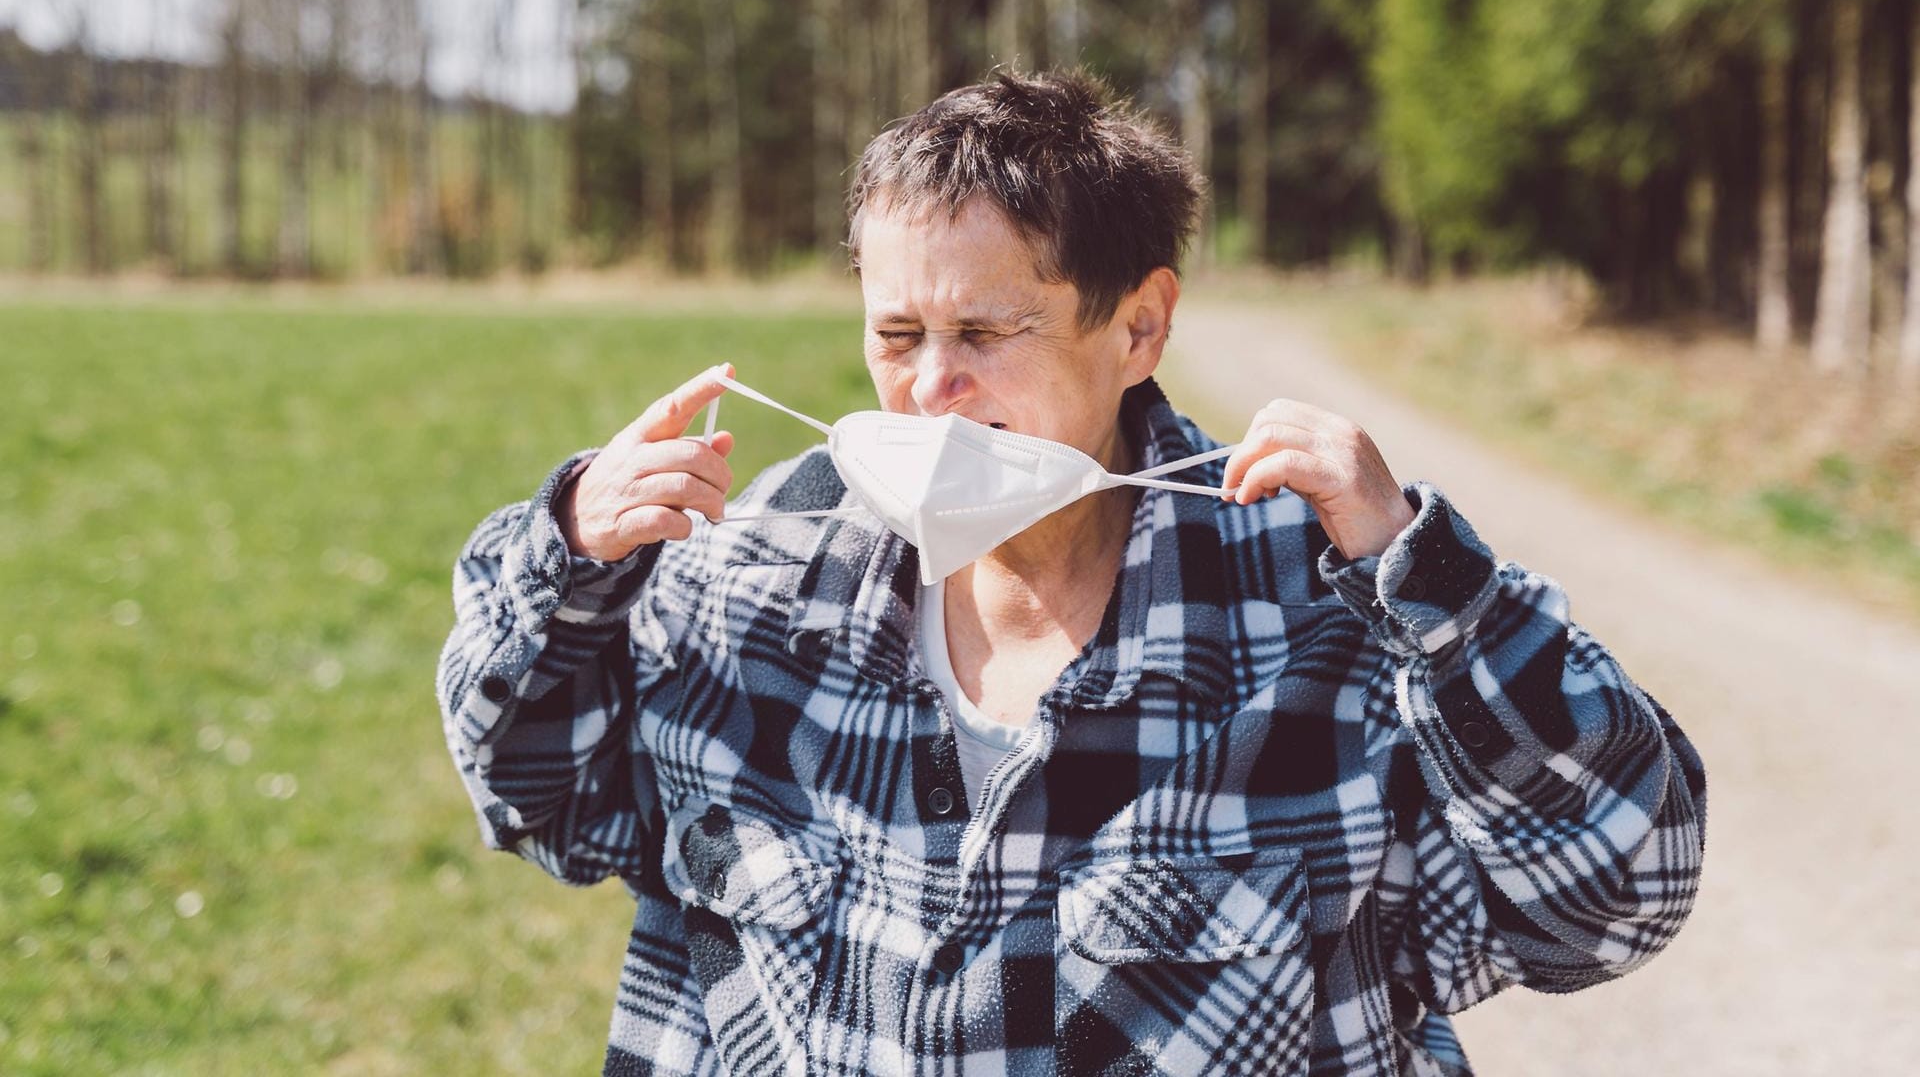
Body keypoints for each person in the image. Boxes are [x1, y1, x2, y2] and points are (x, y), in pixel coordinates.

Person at [436, 69, 1706, 1076]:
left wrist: (1434, 589)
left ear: (1140, 326)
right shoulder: (759, 571)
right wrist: (568, 565)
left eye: (988, 332)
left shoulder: (1322, 612)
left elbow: (1611, 903)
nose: (933, 389)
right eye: (897, 333)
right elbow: (546, 801)